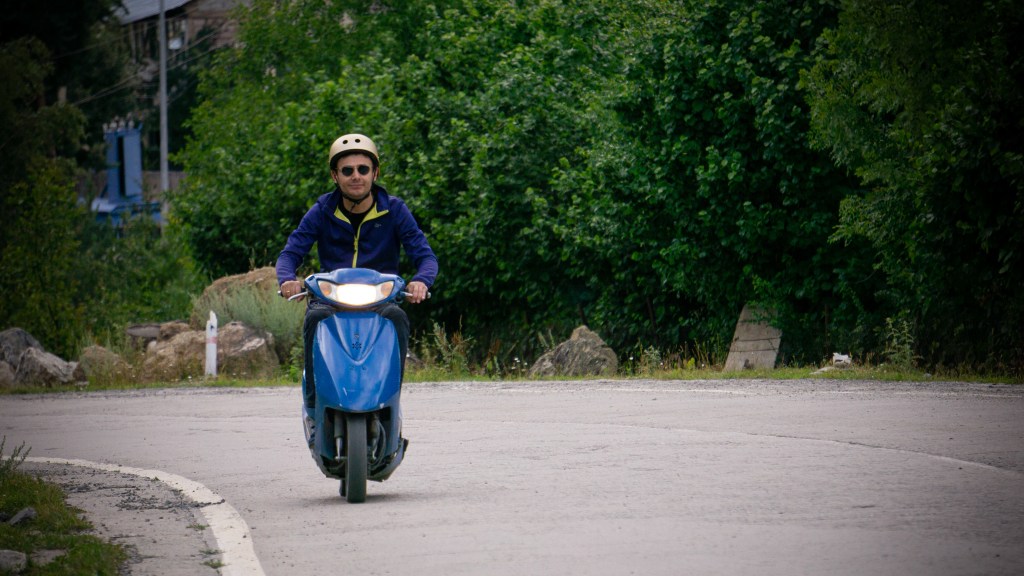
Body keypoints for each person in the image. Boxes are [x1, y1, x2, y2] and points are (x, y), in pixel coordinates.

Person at [276, 133, 438, 414]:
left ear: (375, 173)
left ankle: (392, 401)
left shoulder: (395, 210)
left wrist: (421, 281)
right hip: (330, 299)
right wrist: (287, 279)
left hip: (382, 299)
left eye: (363, 169)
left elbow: (425, 256)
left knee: (398, 317)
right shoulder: (322, 210)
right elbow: (290, 252)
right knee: (314, 317)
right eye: (347, 170)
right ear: (334, 176)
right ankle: (313, 402)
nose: (356, 176)